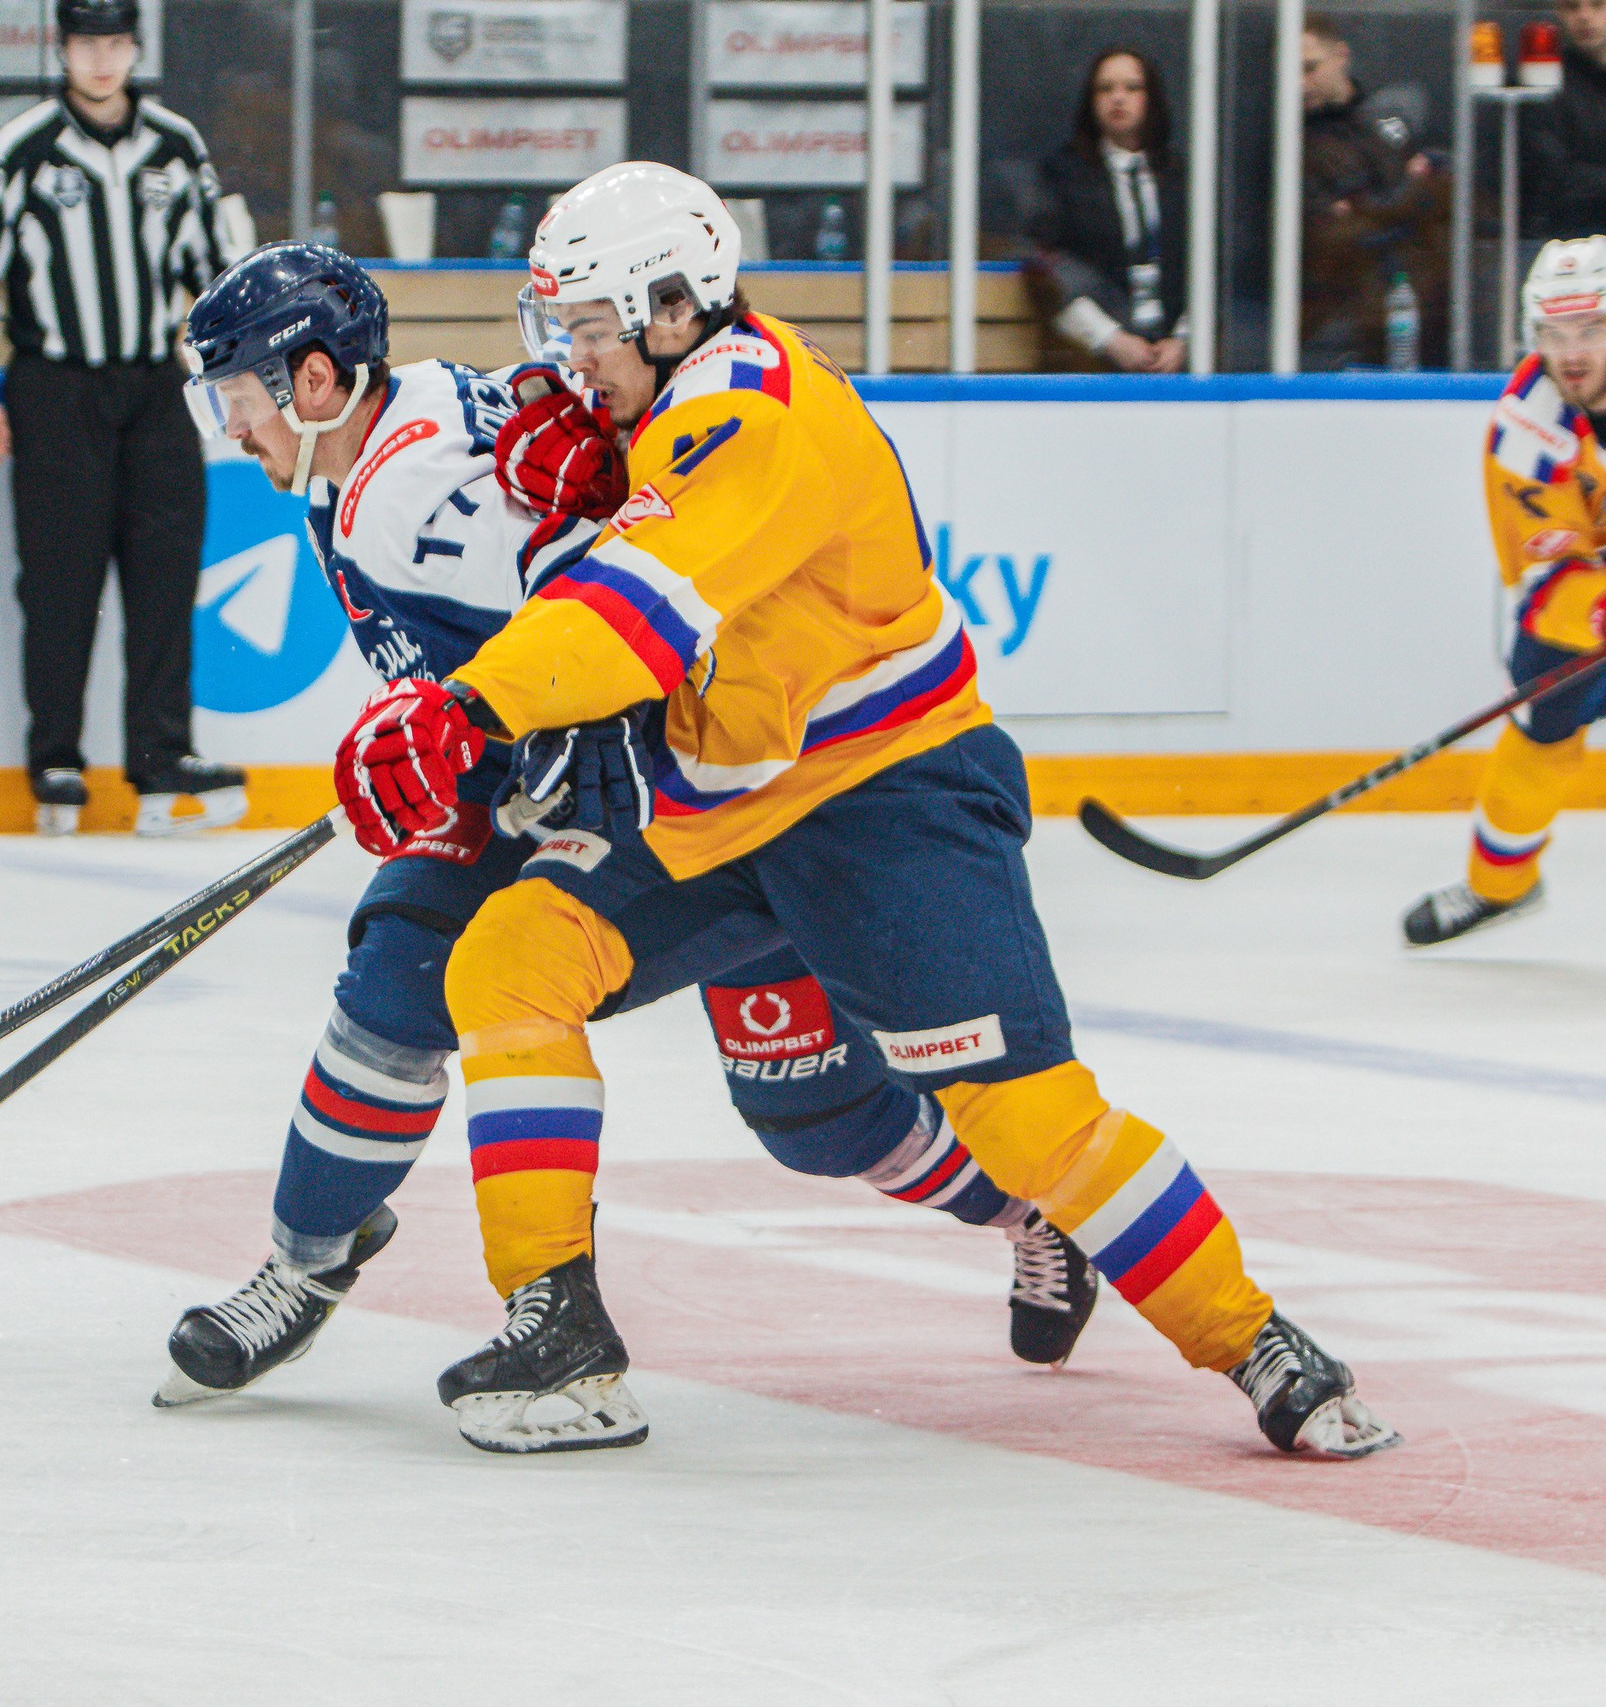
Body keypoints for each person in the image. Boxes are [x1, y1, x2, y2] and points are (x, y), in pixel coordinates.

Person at [337, 160, 1402, 1461]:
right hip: (722, 806)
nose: (573, 359)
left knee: (1025, 1117)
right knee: (506, 960)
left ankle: (1259, 1339)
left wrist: (471, 706)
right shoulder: (665, 399)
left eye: (596, 330)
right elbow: (633, 554)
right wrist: (584, 469)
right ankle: (559, 1329)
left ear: (675, 307)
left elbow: (637, 620)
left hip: (885, 797)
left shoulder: (755, 413)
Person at [150, 244, 1099, 1430]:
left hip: (695, 797)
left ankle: (1033, 1212)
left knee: (817, 1114)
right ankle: (322, 1268)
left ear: (317, 380)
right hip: (532, 786)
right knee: (397, 982)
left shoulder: (405, 499)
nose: (229, 425)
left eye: (236, 397)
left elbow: (609, 591)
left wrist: (534, 718)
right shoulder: (402, 420)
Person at [0, 0, 250, 836]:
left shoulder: (176, 145)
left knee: (164, 569)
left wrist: (240, 366)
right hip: (56, 389)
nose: (103, 59)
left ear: (135, 48)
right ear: (64, 48)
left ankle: (161, 752)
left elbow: (214, 267)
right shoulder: (23, 149)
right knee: (59, 577)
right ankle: (55, 757)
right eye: (88, 43)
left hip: (154, 386)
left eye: (116, 43)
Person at [1405, 239, 1606, 944]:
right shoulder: (1526, 427)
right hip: (1583, 609)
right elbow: (1549, 569)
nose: (1571, 351)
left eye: (1590, 330)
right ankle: (1499, 887)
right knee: (1541, 731)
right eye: (1554, 334)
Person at [1024, 49, 1189, 374]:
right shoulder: (1063, 174)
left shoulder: (1179, 174)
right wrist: (1109, 339)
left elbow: (1211, 267)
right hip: (1089, 361)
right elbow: (1045, 267)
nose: (1118, 98)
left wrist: (1183, 340)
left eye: (1132, 88)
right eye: (1105, 88)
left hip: (1174, 361)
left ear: (1151, 98)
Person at [1299, 16, 1448, 370]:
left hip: (1420, 297)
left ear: (1341, 56)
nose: (1300, 84)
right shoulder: (1293, 143)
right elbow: (1333, 232)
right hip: (1344, 307)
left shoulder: (1386, 118)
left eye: (1310, 68)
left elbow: (1436, 187)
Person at [1531, 0, 1606, 240]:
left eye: (1598, 5)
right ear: (1558, 13)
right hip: (1572, 235)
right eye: (1572, 7)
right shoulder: (1545, 84)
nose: (1584, 17)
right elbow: (1555, 177)